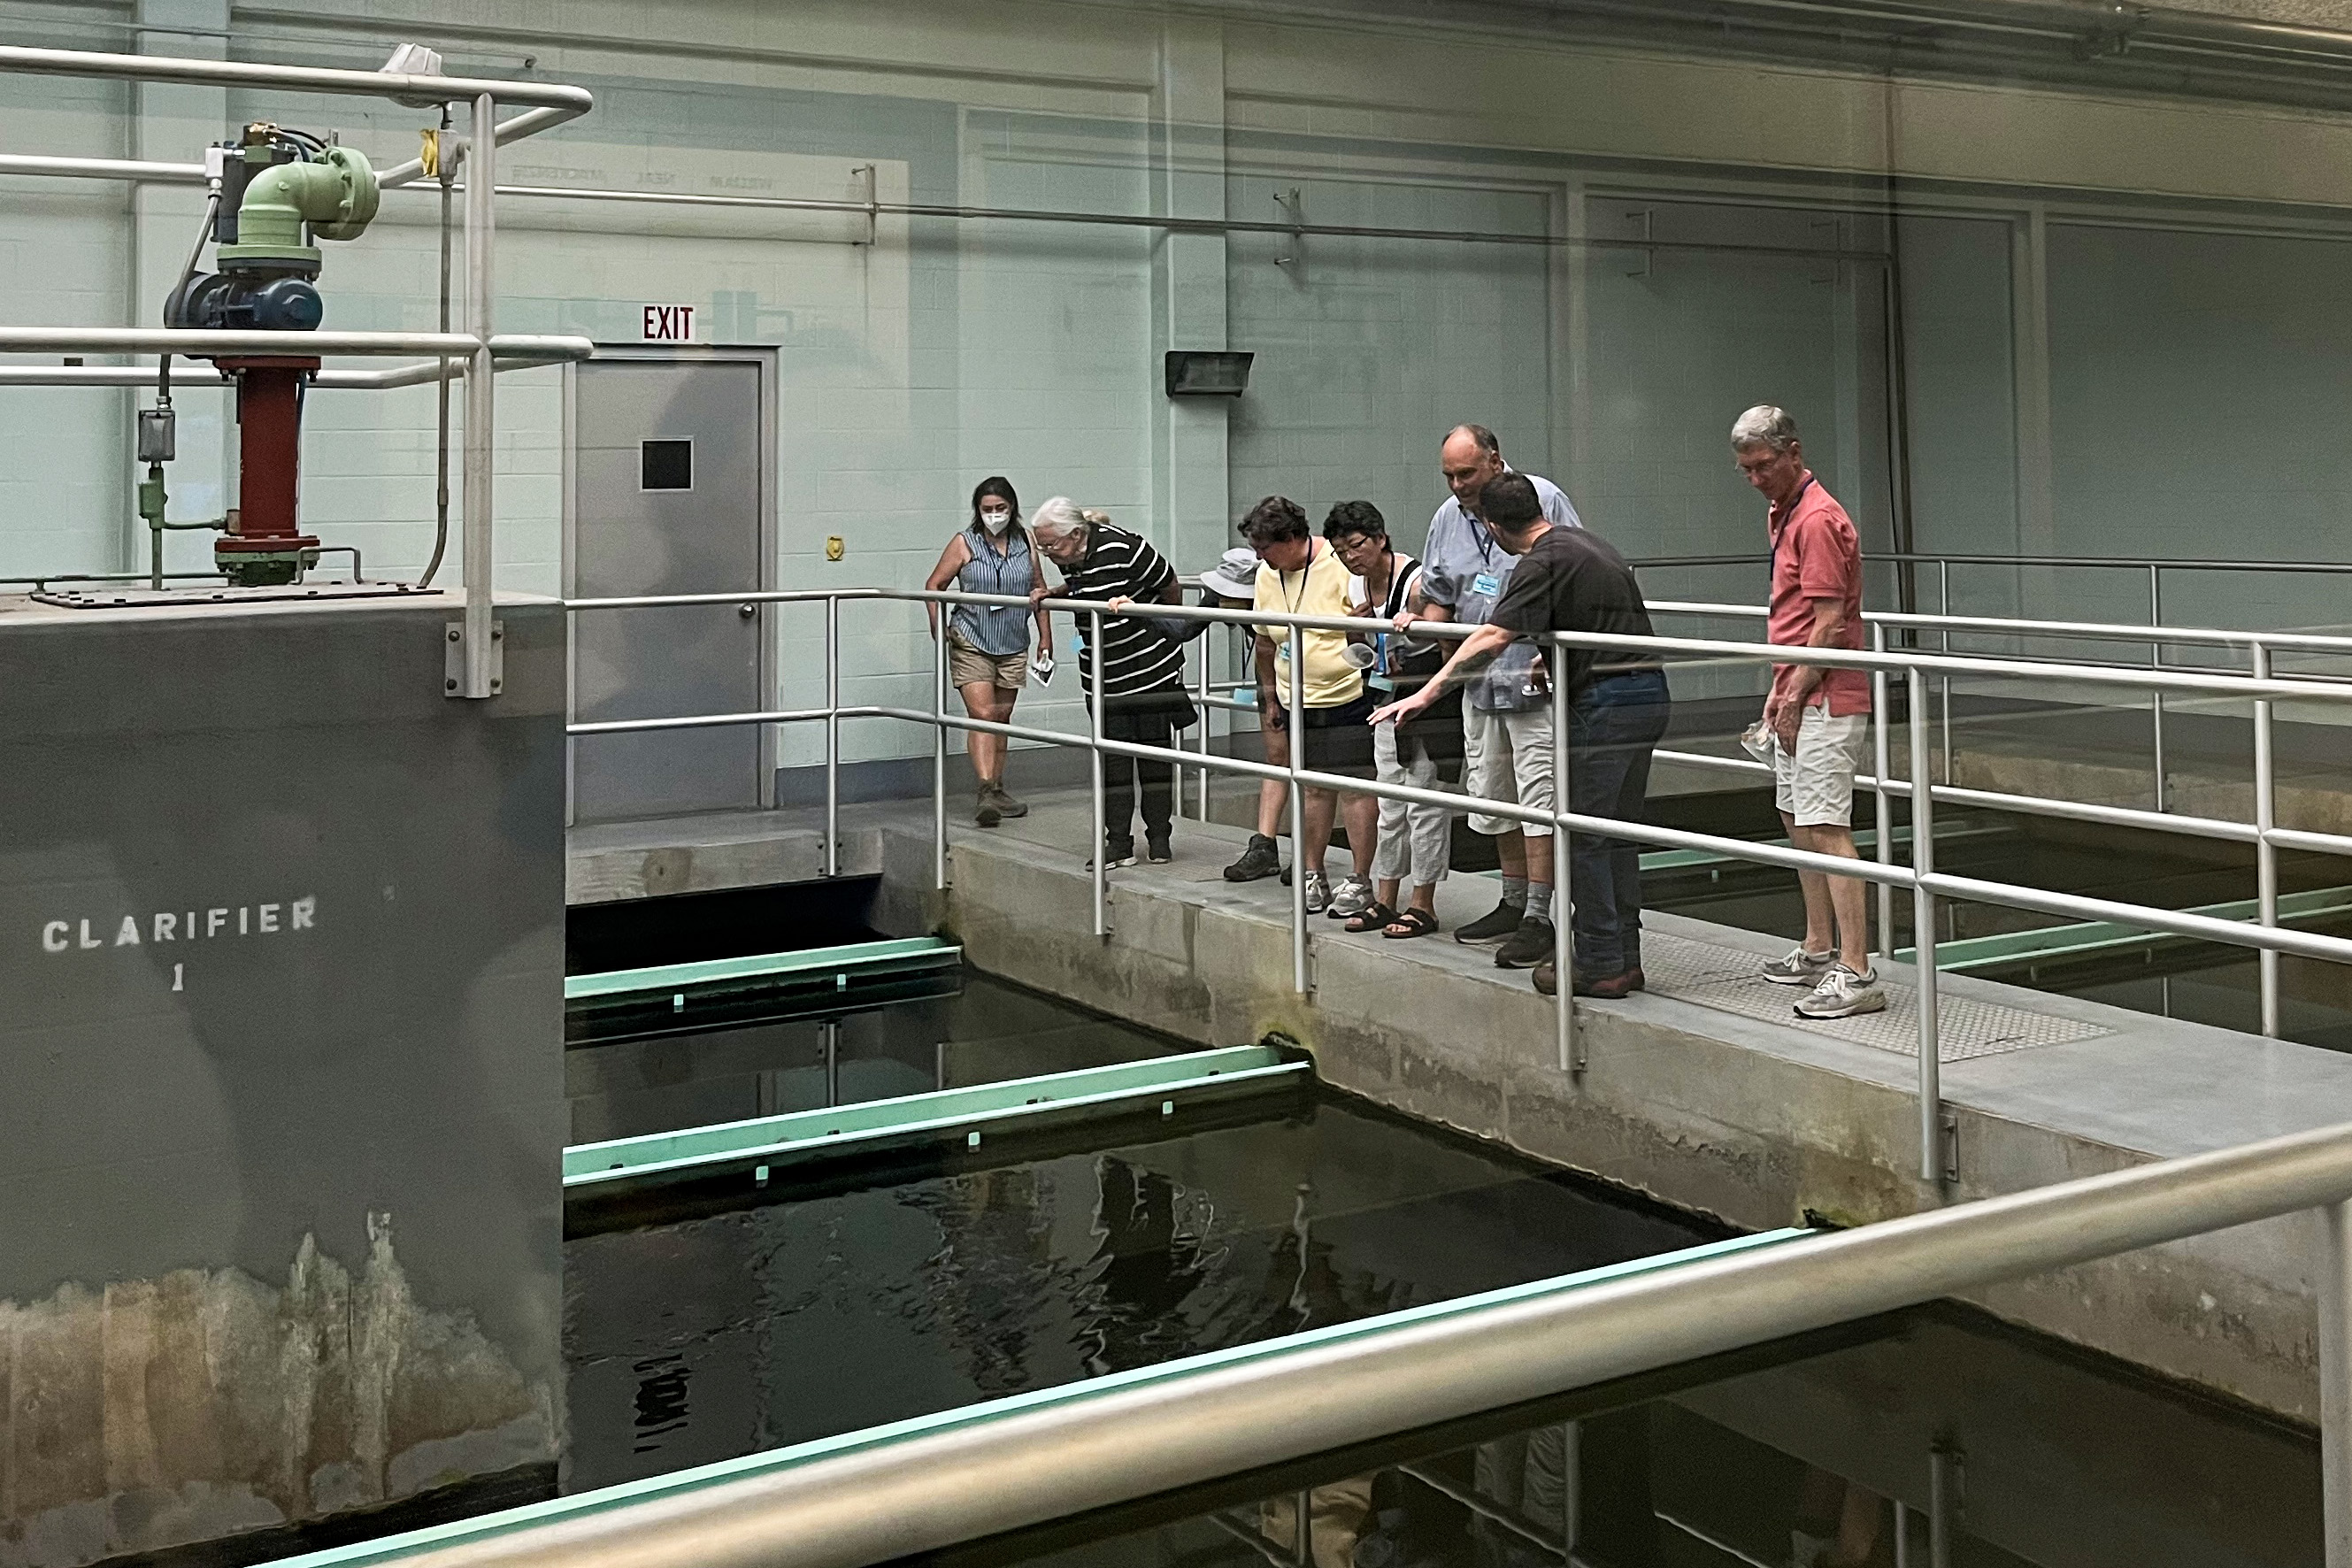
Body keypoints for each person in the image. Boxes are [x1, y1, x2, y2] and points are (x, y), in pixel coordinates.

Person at [1372, 474, 1667, 997]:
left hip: (1605, 705)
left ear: (1493, 525)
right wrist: (1548, 655)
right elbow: (1597, 617)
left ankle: (1600, 962)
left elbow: (1490, 637)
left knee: (1582, 836)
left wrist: (1424, 694)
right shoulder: (1585, 543)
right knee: (1615, 835)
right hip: (1645, 694)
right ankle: (1624, 956)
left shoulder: (1539, 561)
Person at [1410, 424, 1581, 971]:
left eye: (1467, 473)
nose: (1458, 485)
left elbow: (1572, 573)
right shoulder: (1446, 518)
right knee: (1494, 797)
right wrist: (1413, 627)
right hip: (1477, 683)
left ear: (1497, 462)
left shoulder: (1543, 498)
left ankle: (1541, 915)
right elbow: (1440, 596)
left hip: (1531, 678)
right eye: (1449, 475)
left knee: (1540, 800)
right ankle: (1513, 902)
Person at [1732, 404, 1882, 1019]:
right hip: (1799, 688)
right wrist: (1781, 690)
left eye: (1763, 465)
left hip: (1825, 695)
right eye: (1745, 469)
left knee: (1826, 826)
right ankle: (1820, 947)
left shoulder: (1818, 519)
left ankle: (1858, 971)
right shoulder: (1785, 511)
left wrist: (1794, 695)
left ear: (1793, 452)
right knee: (1797, 816)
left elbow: (1829, 622)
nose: (1755, 478)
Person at [1220, 496, 1379, 916]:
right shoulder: (1268, 575)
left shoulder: (1339, 563)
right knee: (1312, 788)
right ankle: (1313, 874)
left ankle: (1361, 880)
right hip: (1295, 698)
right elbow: (1266, 640)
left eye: (1265, 549)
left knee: (1356, 789)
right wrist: (1270, 696)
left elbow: (1369, 622)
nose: (1261, 558)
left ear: (1291, 539)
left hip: (1347, 694)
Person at [1028, 497, 1195, 867]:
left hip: (1150, 670)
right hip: (1103, 676)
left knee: (1155, 759)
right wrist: (1054, 592)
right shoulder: (1070, 558)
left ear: (1075, 534)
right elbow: (1082, 586)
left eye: (1050, 545)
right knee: (1112, 764)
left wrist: (1160, 627)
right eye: (1042, 547)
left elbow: (1169, 586)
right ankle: (1118, 842)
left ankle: (1159, 838)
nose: (1047, 553)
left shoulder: (1124, 547)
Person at [1325, 500, 1457, 940]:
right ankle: (1385, 897)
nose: (1350, 557)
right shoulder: (1359, 587)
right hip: (1383, 700)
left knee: (1425, 804)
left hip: (1424, 704)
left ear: (1380, 538)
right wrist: (1356, 633)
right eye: (1341, 551)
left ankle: (1423, 904)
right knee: (1390, 806)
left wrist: (1414, 630)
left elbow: (1446, 643)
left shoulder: (1416, 583)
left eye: (1357, 546)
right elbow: (1362, 642)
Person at [925, 477, 1050, 827]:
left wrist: (1045, 637)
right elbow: (934, 585)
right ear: (978, 511)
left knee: (1001, 717)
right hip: (971, 639)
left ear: (1012, 508)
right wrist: (940, 627)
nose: (995, 515)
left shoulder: (1026, 542)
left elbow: (1038, 590)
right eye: (988, 510)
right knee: (981, 714)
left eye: (1001, 509)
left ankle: (997, 787)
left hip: (1012, 641)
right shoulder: (964, 543)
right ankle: (983, 790)